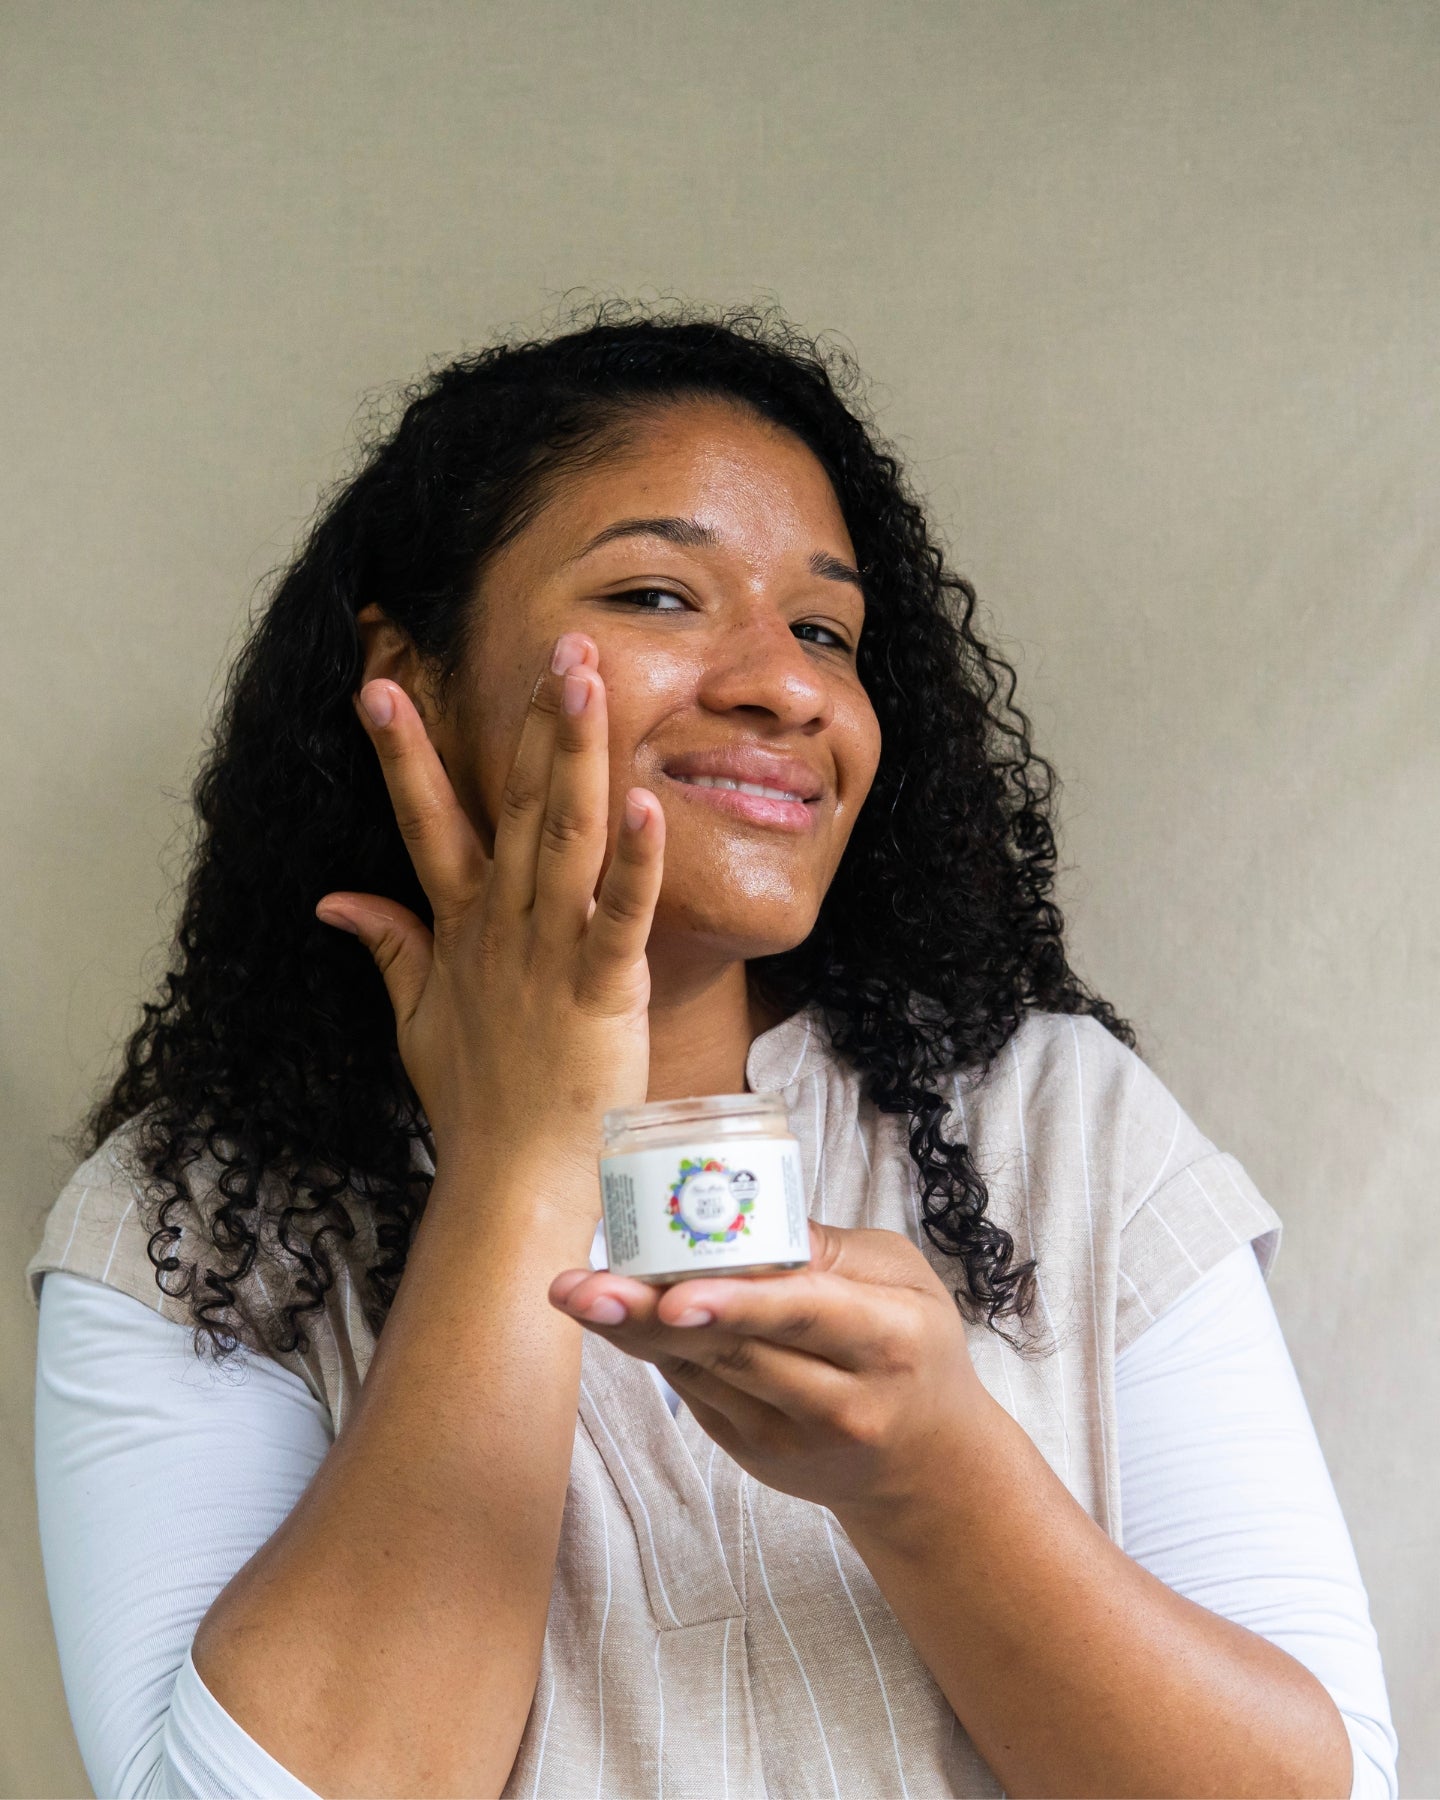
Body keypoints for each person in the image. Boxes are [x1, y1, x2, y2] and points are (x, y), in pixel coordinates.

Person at [28, 306, 1397, 1799]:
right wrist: (525, 1165)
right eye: (662, 595)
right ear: (408, 681)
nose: (787, 686)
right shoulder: (203, 1219)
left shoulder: (1056, 1127)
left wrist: (929, 1474)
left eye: (825, 630)